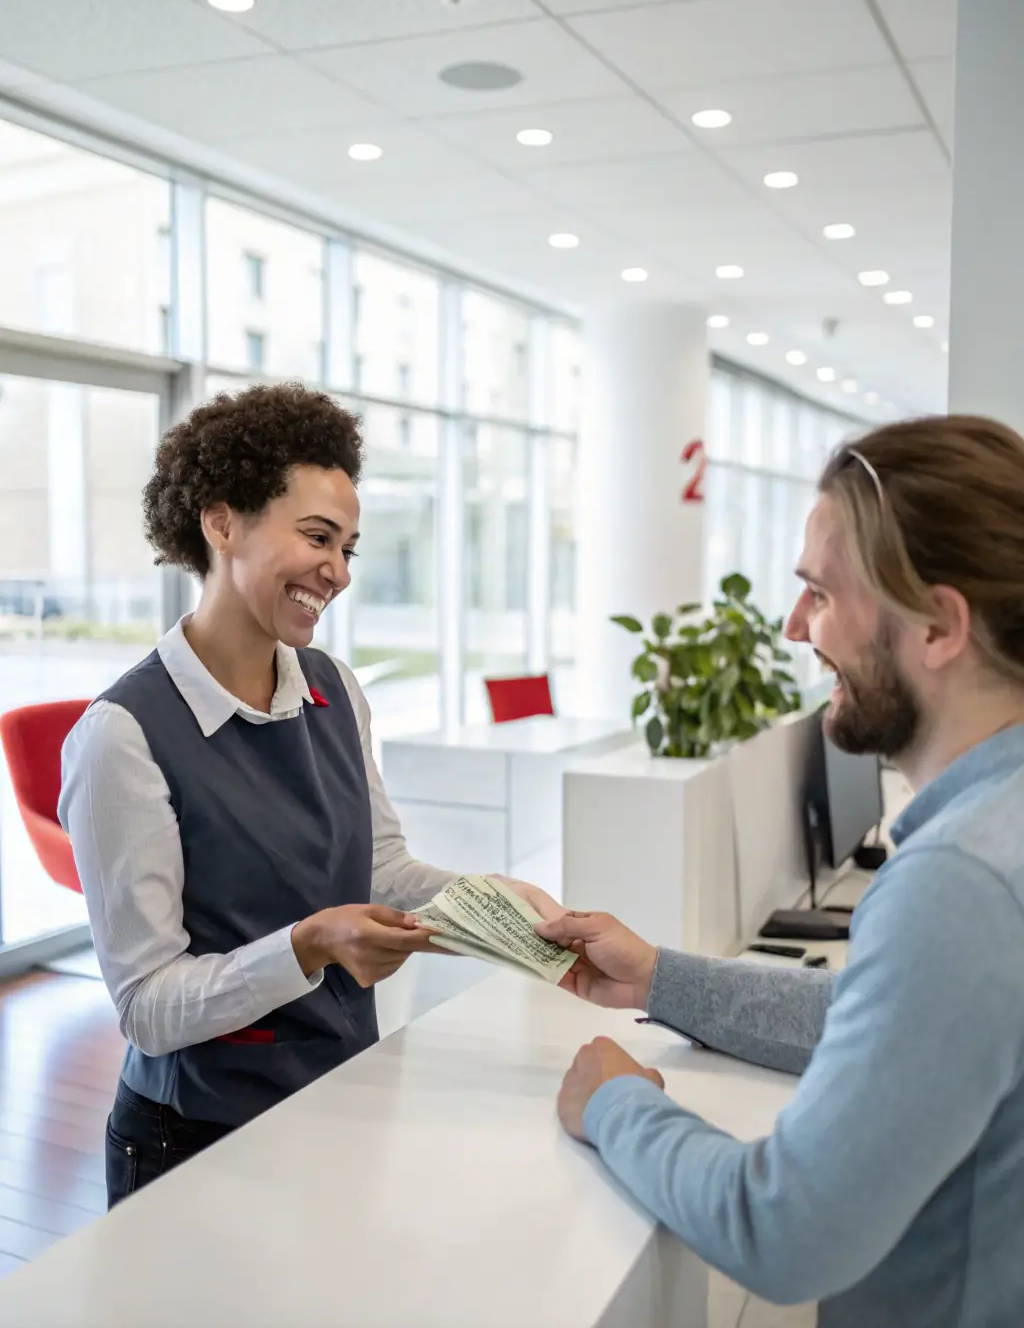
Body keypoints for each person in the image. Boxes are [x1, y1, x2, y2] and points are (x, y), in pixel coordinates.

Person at [538, 414, 1024, 1327]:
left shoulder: (960, 881)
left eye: (821, 593)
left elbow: (784, 1227)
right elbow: (882, 1023)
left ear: (940, 625)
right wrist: (662, 978)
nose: (798, 625)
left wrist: (614, 1105)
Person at [59, 382, 557, 1209]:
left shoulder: (333, 688)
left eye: (350, 547)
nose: (338, 571)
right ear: (222, 524)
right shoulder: (125, 734)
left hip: (338, 1092)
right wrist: (309, 945)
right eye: (318, 536)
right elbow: (148, 1005)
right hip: (194, 1139)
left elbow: (381, 866)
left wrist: (487, 901)